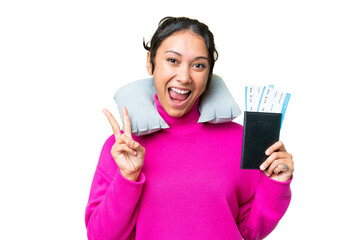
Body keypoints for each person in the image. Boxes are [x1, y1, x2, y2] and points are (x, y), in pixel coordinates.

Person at [85, 16, 294, 240]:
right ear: (150, 62)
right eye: (173, 61)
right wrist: (128, 177)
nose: (184, 77)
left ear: (209, 75)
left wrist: (276, 185)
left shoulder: (240, 140)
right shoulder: (122, 148)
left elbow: (249, 231)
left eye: (198, 65)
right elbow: (101, 236)